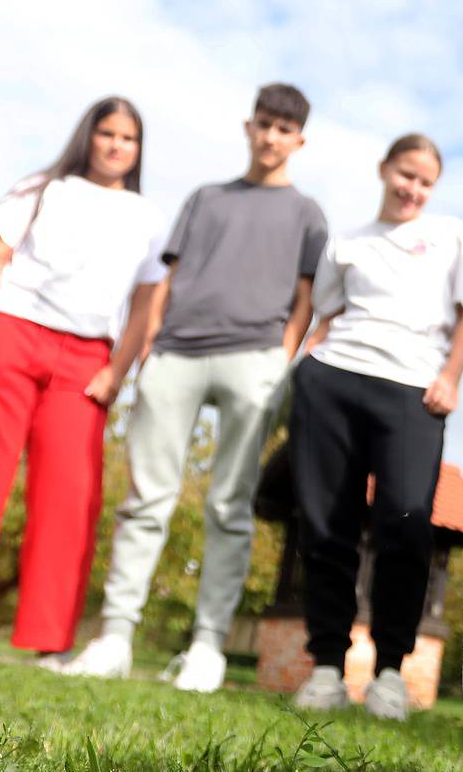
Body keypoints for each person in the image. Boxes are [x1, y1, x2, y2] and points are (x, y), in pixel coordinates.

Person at [64, 84, 327, 692]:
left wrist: (279, 360)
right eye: (264, 124)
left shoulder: (308, 213)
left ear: (299, 140)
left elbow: (306, 298)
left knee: (229, 506)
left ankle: (207, 648)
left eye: (284, 129)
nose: (271, 137)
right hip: (177, 354)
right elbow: (167, 278)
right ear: (249, 126)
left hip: (252, 360)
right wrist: (151, 347)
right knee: (145, 501)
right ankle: (115, 638)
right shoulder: (205, 198)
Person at [0, 97, 166, 662]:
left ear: (139, 149)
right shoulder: (43, 188)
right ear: (89, 136)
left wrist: (116, 371)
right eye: (107, 133)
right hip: (11, 335)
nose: (116, 145)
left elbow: (149, 302)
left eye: (128, 138)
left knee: (70, 497)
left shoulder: (148, 218)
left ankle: (49, 643)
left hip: (86, 360)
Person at [288, 134, 463, 720]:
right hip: (334, 380)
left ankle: (391, 673)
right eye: (405, 174)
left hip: (412, 391)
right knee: (325, 526)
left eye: (425, 180)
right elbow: (327, 314)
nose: (412, 188)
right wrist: (297, 372)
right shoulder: (347, 241)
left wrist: (450, 377)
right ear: (384, 170)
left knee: (405, 524)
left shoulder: (452, 238)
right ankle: (325, 667)